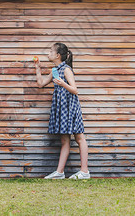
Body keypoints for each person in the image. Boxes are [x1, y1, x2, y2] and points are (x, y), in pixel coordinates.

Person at [34, 43, 90, 179]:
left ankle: (85, 171)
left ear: (57, 55)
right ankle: (59, 172)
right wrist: (37, 68)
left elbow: (75, 90)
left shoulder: (66, 70)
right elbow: (41, 84)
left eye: (50, 51)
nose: (48, 53)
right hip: (62, 107)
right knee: (64, 140)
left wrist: (62, 83)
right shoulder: (55, 70)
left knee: (79, 138)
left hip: (70, 107)